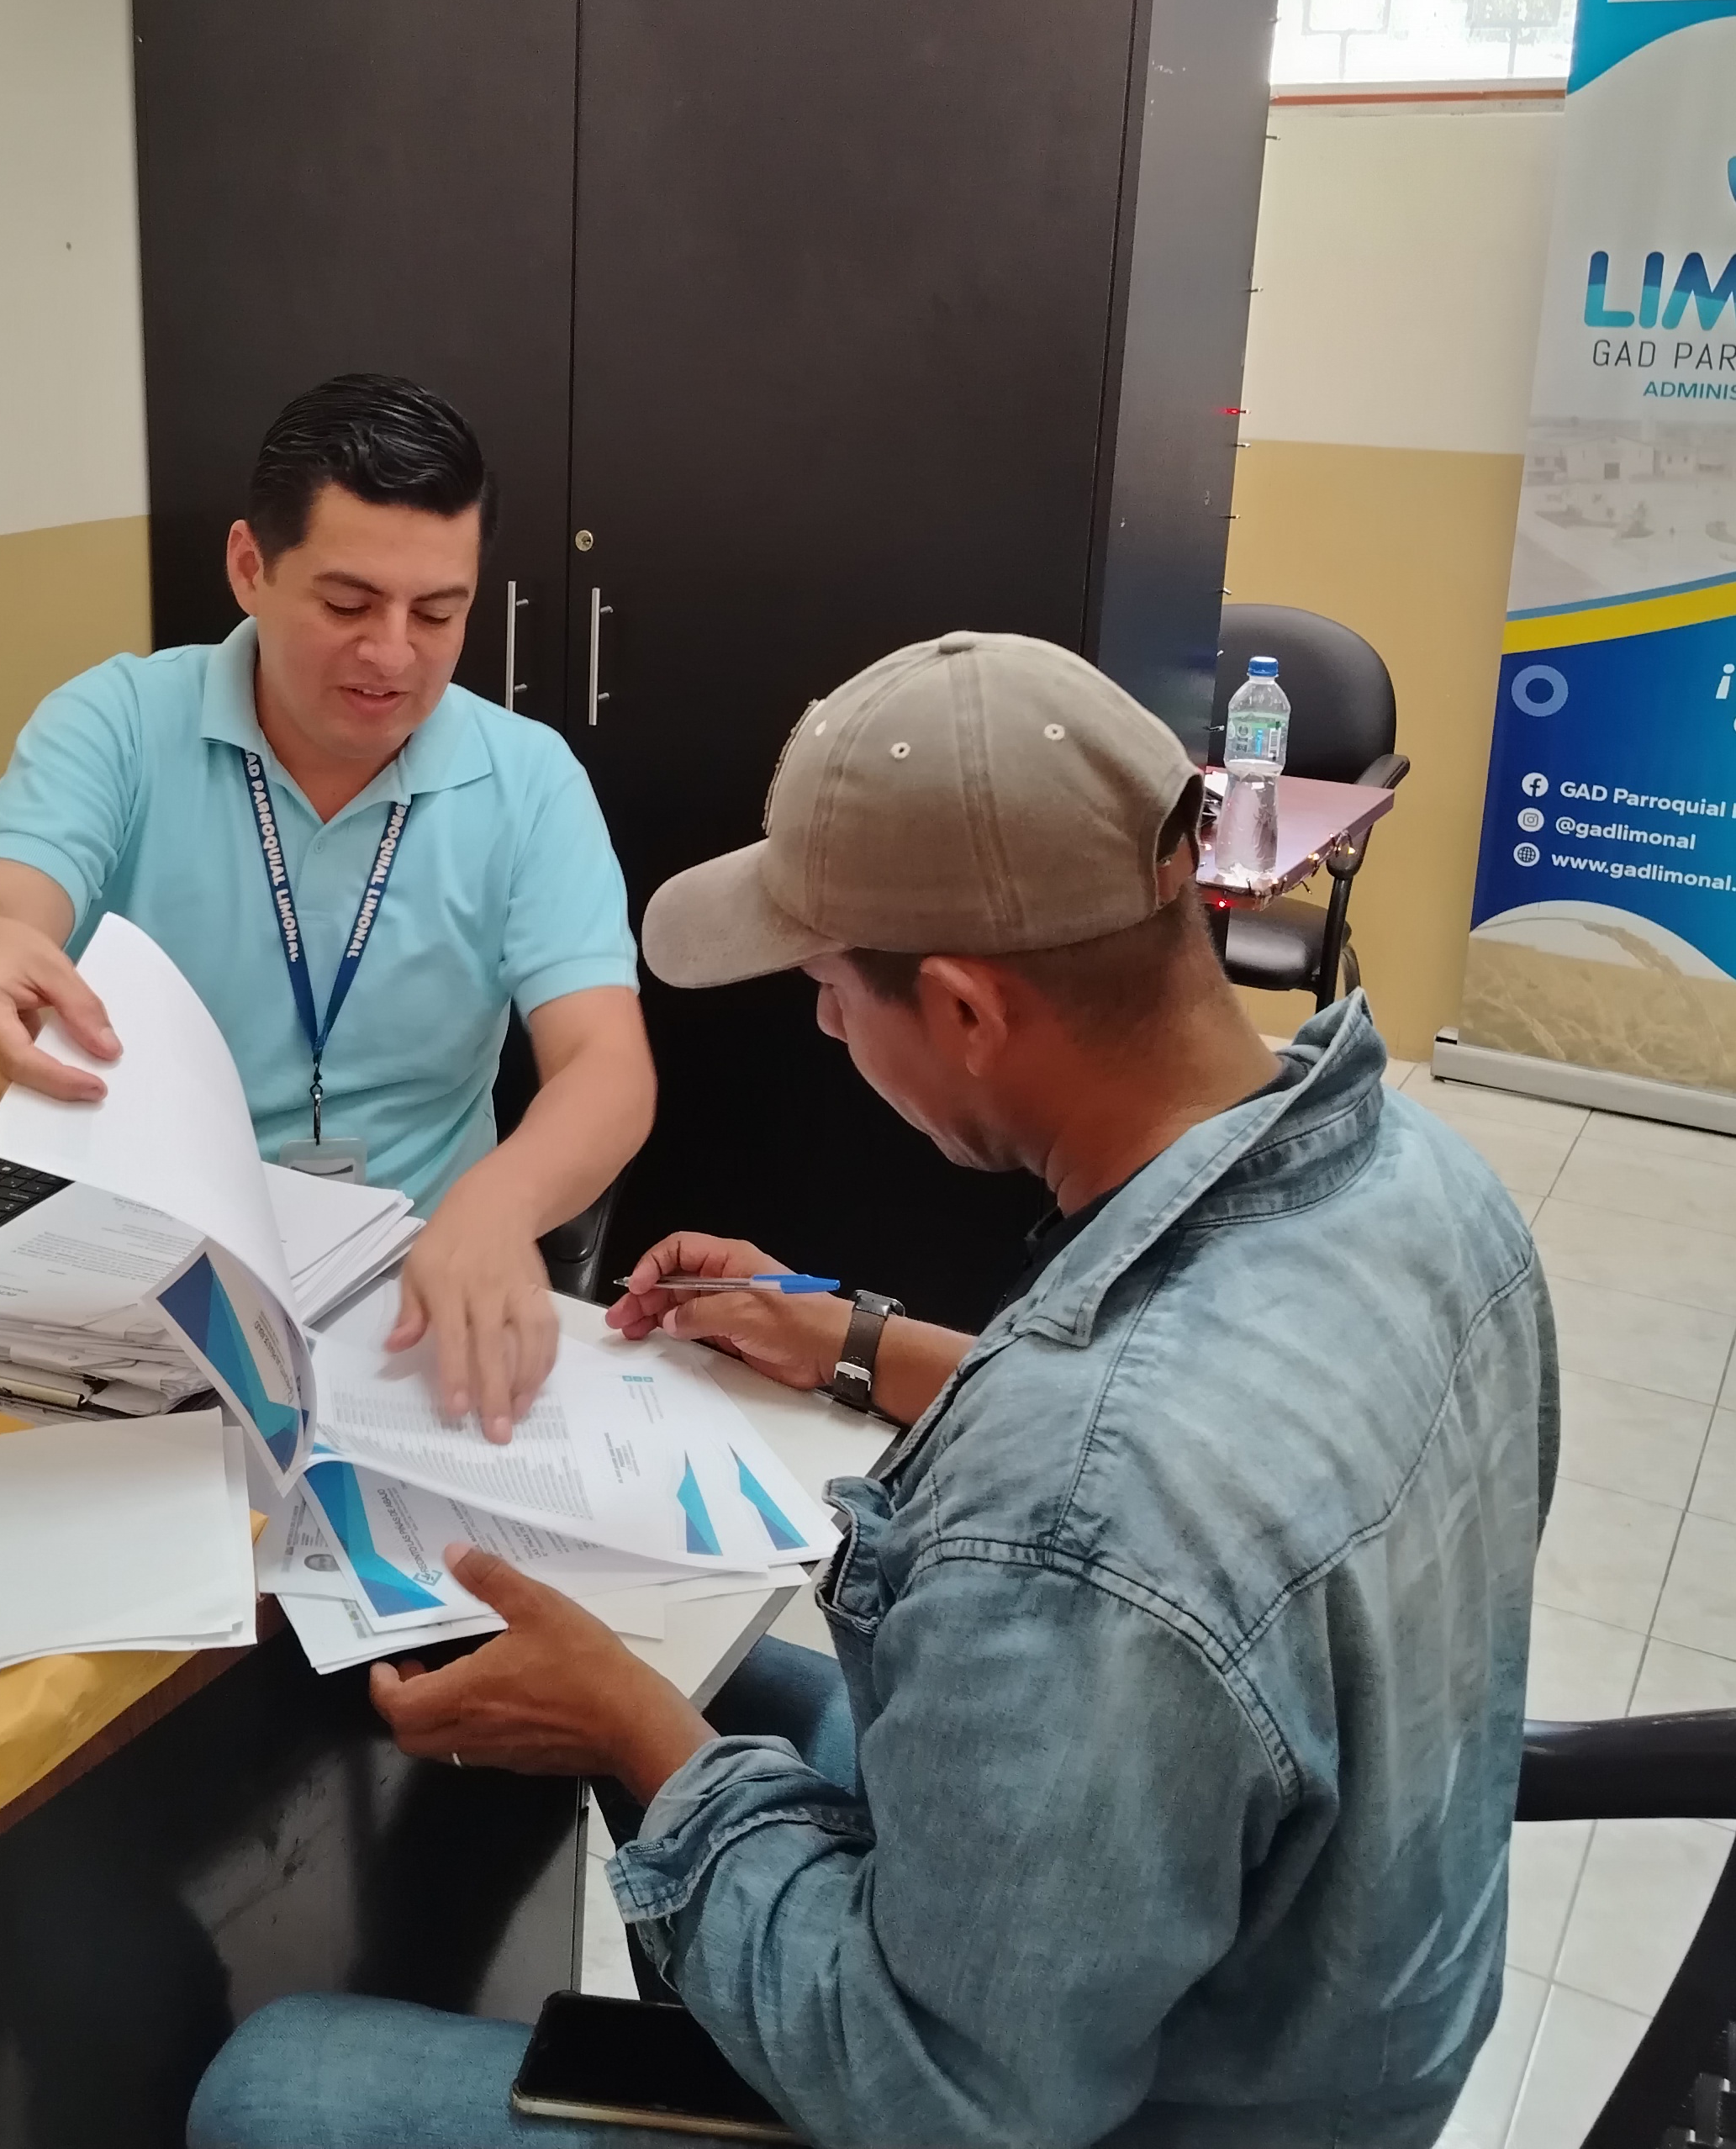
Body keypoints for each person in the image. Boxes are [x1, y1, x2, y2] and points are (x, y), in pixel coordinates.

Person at [188, 631, 1555, 2148]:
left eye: (833, 990)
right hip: (1315, 1982)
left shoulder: (1083, 1513)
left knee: (273, 2089)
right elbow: (1214, 1448)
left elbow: (938, 2101)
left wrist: (639, 1735)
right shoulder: (1424, 1183)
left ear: (965, 1010)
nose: (827, 1026)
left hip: (1119, 2107)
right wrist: (853, 1341)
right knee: (713, 1682)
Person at [0, 374, 652, 1442]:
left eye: (438, 613)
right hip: (139, 1279)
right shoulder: (119, 722)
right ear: (250, 567)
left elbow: (607, 1068)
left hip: (406, 1293)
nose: (392, 654)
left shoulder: (528, 779)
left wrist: (500, 1204)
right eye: (347, 606)